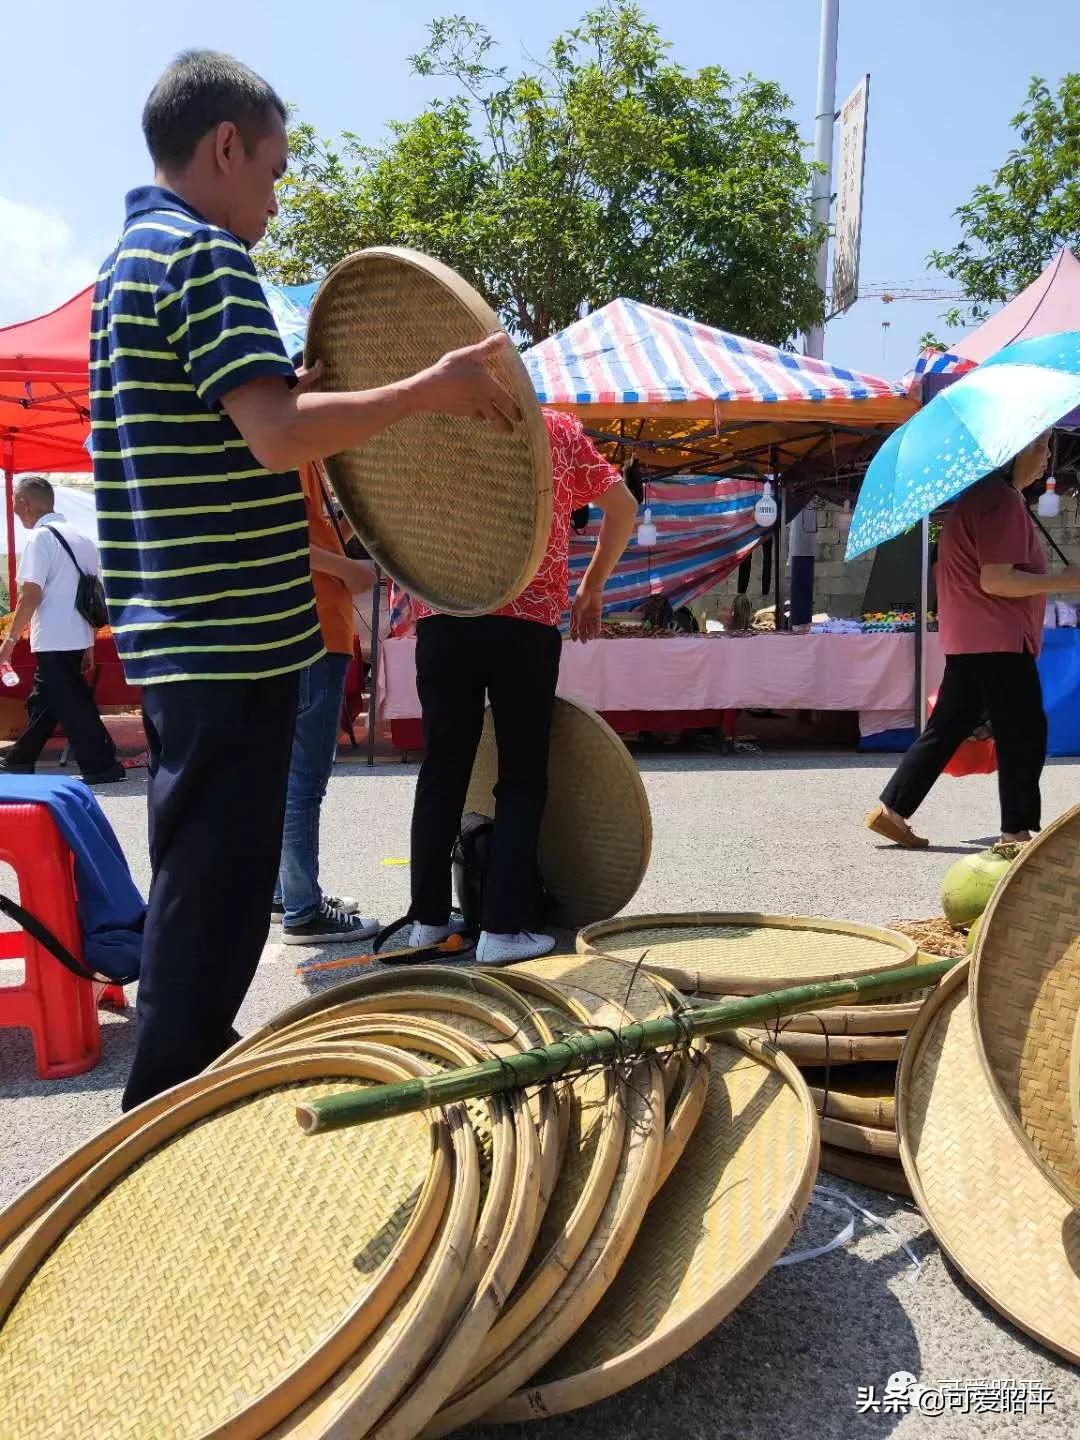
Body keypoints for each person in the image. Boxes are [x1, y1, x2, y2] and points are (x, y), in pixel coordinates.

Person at [93, 50, 520, 1109]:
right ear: (226, 145)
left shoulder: (130, 263)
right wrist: (429, 387)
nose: (276, 202)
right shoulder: (203, 257)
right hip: (231, 631)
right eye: (274, 173)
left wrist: (301, 394)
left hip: (183, 629)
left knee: (206, 876)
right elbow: (278, 436)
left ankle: (183, 1069)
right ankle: (163, 1111)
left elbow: (243, 426)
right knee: (217, 891)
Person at [403, 410, 638, 965]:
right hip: (524, 620)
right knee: (522, 775)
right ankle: (502, 928)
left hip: (443, 612)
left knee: (442, 769)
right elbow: (623, 507)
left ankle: (428, 920)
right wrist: (591, 587)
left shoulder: (434, 424)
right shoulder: (552, 430)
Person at [866, 432, 1080, 849]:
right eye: (1039, 447)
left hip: (972, 635)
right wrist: (1065, 580)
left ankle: (893, 810)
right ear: (1012, 453)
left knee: (948, 727)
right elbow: (996, 579)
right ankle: (1016, 831)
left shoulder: (986, 498)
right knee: (1022, 730)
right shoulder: (998, 502)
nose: (1046, 457)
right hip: (997, 637)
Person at [272, 451, 378, 944]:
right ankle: (302, 908)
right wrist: (349, 570)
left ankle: (289, 891)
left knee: (289, 776)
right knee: (303, 779)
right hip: (312, 629)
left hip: (312, 626)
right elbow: (284, 536)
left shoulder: (305, 454)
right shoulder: (292, 451)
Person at [0, 477, 124, 784]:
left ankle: (101, 765)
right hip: (77, 635)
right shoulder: (82, 539)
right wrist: (90, 644)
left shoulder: (41, 539)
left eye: (15, 503)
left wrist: (10, 640)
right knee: (48, 699)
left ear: (25, 503)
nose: (14, 509)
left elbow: (31, 595)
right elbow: (89, 599)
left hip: (53, 636)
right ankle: (21, 759)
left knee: (70, 701)